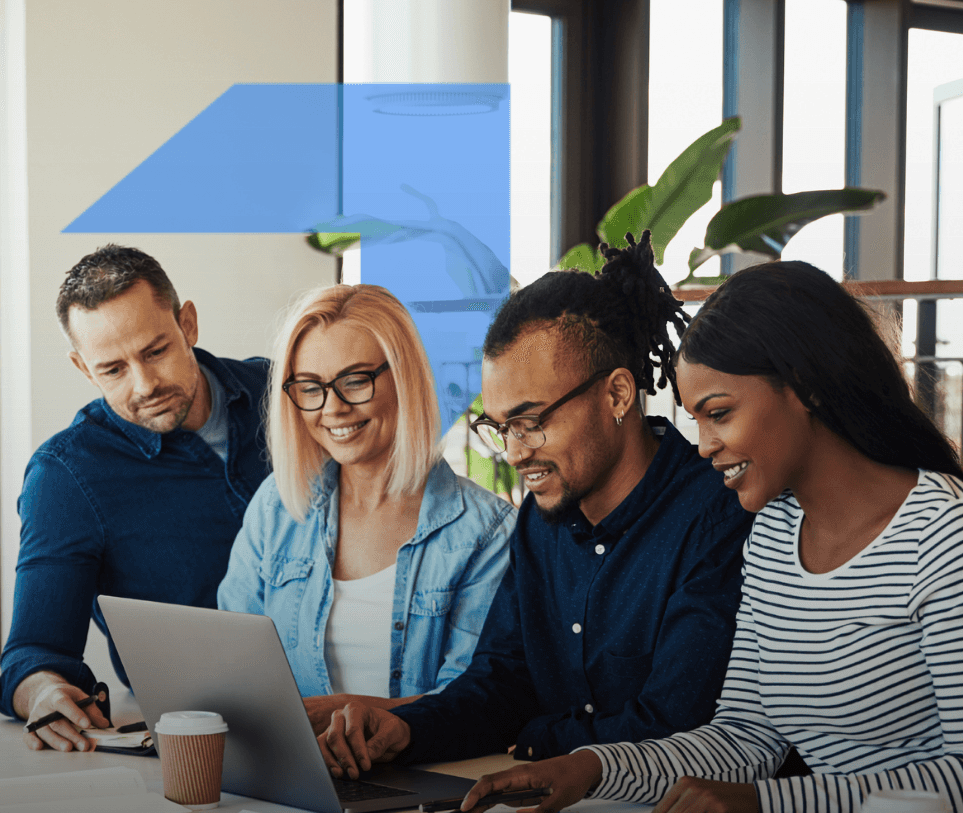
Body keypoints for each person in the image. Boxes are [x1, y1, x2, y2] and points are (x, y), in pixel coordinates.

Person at [446, 260, 963, 813]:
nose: (704, 444)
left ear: (802, 387)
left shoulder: (954, 536)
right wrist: (593, 769)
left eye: (718, 412)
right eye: (694, 418)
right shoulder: (774, 534)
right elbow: (746, 737)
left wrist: (769, 808)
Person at [316, 234, 752, 776]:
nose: (516, 453)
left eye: (531, 422)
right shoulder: (539, 524)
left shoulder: (716, 519)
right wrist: (407, 729)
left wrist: (535, 736)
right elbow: (500, 682)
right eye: (501, 428)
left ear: (617, 395)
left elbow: (673, 724)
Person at [0, 245, 271, 751]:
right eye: (113, 370)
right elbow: (34, 651)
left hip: (362, 703)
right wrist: (44, 691)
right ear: (82, 367)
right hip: (203, 735)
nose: (145, 385)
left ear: (187, 323)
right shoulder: (68, 475)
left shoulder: (289, 394)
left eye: (155, 351)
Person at [217, 286, 515, 728]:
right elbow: (231, 661)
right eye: (311, 387)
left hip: (421, 779)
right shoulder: (276, 509)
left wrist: (339, 711)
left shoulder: (487, 531)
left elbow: (471, 700)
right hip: (290, 774)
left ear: (404, 377)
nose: (332, 408)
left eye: (355, 381)